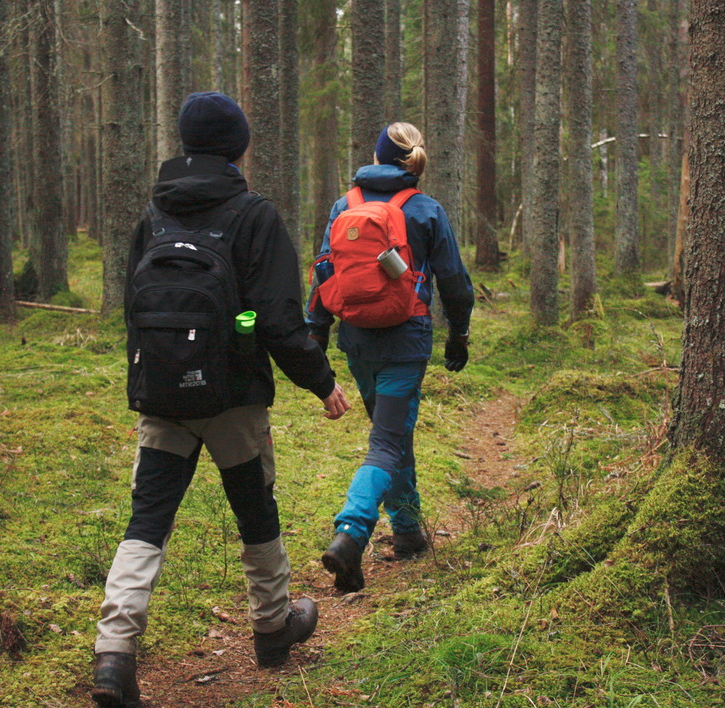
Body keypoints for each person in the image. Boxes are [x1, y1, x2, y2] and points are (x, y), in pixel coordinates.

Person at [92, 92, 349, 707]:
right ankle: (272, 626)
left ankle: (113, 653)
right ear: (239, 146)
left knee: (147, 519)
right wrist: (322, 382)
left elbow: (134, 308)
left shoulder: (154, 215)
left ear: (184, 144)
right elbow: (281, 321)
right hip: (233, 397)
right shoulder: (253, 215)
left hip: (161, 398)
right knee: (255, 511)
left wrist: (154, 378)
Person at [307, 122, 474, 593]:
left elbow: (325, 272)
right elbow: (455, 282)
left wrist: (315, 332)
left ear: (376, 158)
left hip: (357, 340)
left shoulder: (346, 206)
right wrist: (458, 334)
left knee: (391, 433)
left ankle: (406, 532)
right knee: (387, 440)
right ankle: (351, 531)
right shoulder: (425, 209)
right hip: (406, 341)